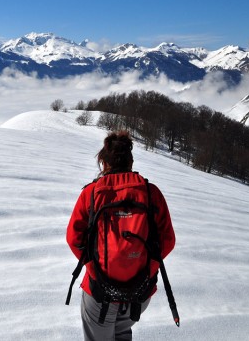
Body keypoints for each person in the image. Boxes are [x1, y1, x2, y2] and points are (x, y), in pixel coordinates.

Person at [66, 131, 175, 341]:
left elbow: (74, 238)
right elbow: (167, 240)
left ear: (104, 163)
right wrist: (148, 271)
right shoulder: (151, 192)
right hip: (139, 291)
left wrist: (93, 268)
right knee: (122, 333)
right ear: (130, 162)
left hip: (99, 293)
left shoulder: (92, 193)